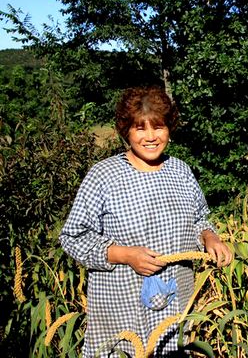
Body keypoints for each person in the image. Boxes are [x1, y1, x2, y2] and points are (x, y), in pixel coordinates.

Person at [60, 85, 233, 357]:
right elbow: (73, 237)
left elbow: (200, 218)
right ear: (126, 131)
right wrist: (126, 255)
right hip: (122, 308)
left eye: (159, 127)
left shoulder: (180, 171)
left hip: (175, 306)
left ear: (169, 129)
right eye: (141, 128)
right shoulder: (104, 176)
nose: (151, 137)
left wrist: (210, 237)